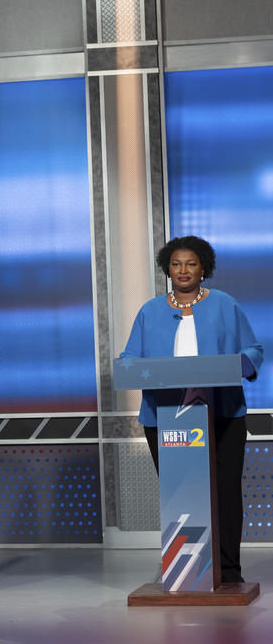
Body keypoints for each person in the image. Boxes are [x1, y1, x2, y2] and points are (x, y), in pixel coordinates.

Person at [120, 235, 262, 584]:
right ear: (167, 268)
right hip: (165, 416)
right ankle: (186, 570)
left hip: (223, 415)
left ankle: (228, 570)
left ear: (204, 268)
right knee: (180, 491)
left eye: (191, 263)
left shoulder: (225, 305)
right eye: (176, 264)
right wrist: (127, 368)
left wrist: (238, 364)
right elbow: (129, 358)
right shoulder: (150, 311)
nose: (183, 270)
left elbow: (253, 350)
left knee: (225, 492)